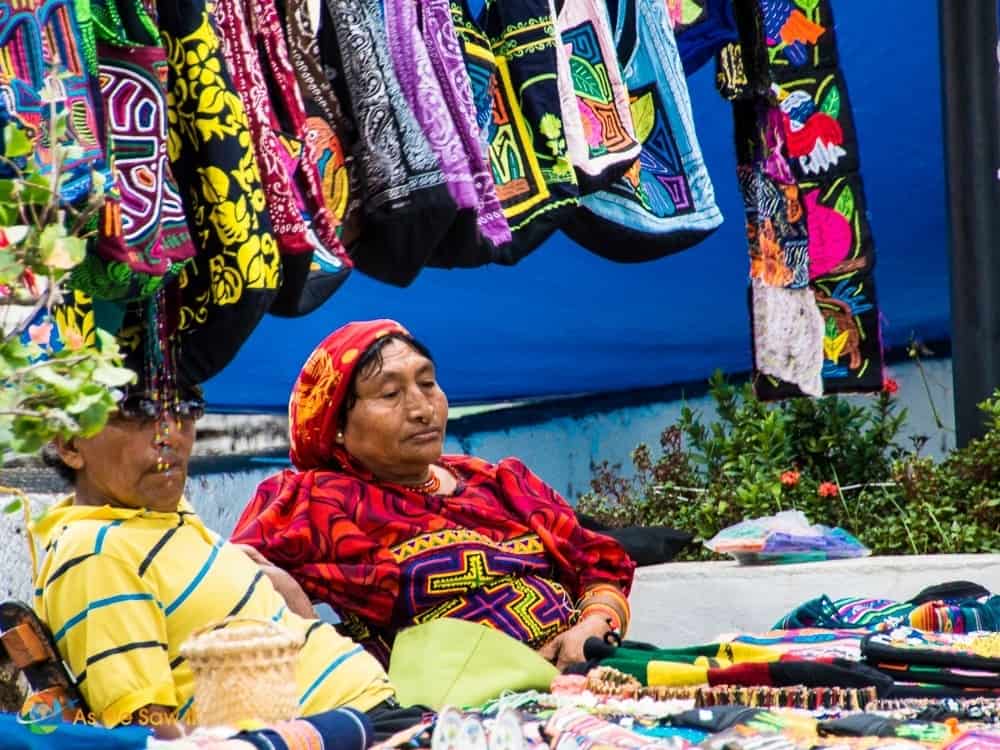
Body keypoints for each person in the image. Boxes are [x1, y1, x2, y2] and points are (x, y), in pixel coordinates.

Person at [231, 320, 636, 671]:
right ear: (335, 424)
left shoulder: (500, 483)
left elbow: (599, 567)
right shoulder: (313, 503)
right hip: (443, 713)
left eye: (427, 383)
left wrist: (595, 625)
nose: (422, 408)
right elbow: (227, 582)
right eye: (390, 395)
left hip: (586, 674)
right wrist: (309, 626)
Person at [35, 383, 397, 738]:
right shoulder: (97, 551)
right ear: (70, 444)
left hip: (367, 714)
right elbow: (146, 733)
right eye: (138, 411)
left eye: (184, 409)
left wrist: (288, 599)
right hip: (346, 732)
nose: (170, 435)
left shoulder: (154, 517)